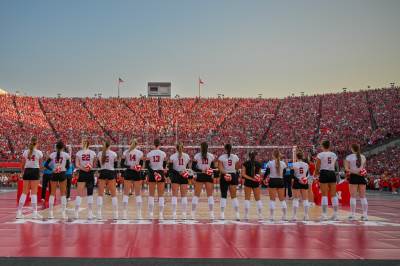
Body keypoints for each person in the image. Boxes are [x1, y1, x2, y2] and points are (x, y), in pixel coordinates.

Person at [17, 136, 43, 219]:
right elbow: (41, 164)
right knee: (34, 192)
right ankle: (34, 213)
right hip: (35, 171)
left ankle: (19, 212)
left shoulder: (25, 152)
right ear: (37, 143)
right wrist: (41, 172)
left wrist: (22, 172)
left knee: (24, 192)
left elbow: (23, 163)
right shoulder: (39, 152)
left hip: (27, 171)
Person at [45, 140, 71, 219]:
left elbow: (46, 164)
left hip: (54, 174)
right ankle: (63, 213)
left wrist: (52, 169)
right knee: (63, 193)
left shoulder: (52, 154)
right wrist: (63, 169)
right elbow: (68, 166)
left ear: (56, 147)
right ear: (63, 147)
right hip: (62, 173)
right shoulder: (66, 155)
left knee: (52, 193)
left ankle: (50, 213)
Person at [314, 140, 339, 221]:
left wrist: (316, 175)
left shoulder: (320, 154)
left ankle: (324, 214)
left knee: (324, 194)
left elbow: (317, 166)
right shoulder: (334, 154)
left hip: (324, 172)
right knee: (333, 194)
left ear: (322, 146)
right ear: (329, 146)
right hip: (332, 173)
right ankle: (336, 214)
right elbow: (335, 165)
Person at [191, 142, 216, 220]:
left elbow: (193, 168)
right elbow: (213, 168)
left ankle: (193, 212)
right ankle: (211, 213)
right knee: (210, 195)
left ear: (201, 147)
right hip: (208, 176)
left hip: (200, 175)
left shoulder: (197, 156)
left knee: (196, 194)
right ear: (207, 147)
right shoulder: (211, 156)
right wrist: (208, 170)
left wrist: (201, 170)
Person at [121, 138, 144, 219]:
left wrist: (130, 166)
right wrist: (136, 167)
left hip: (128, 172)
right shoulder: (140, 153)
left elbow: (122, 164)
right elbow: (140, 165)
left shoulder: (126, 152)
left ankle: (124, 211)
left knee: (126, 192)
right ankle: (139, 212)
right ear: (137, 144)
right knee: (138, 193)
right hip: (137, 172)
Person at [74, 139, 97, 219]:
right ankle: (90, 214)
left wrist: (83, 168)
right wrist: (89, 167)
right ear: (89, 145)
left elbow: (77, 164)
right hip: (90, 173)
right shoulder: (93, 153)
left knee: (79, 193)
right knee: (90, 193)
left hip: (82, 173)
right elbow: (94, 164)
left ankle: (76, 213)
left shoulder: (78, 153)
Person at [344, 144, 368, 221]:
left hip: (354, 177)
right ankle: (365, 215)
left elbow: (347, 169)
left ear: (352, 149)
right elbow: (363, 169)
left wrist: (355, 172)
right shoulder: (363, 157)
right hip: (361, 177)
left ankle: (352, 215)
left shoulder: (349, 157)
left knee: (353, 196)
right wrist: (360, 172)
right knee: (363, 196)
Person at [168, 142, 191, 219]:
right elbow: (187, 167)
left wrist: (178, 172)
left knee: (174, 195)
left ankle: (174, 213)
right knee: (184, 196)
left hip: (175, 176)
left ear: (176, 148)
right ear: (183, 148)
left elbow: (170, 169)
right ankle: (184, 213)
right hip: (184, 175)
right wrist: (182, 171)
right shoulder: (187, 156)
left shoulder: (172, 156)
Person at [145, 139, 167, 219]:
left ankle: (151, 213)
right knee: (161, 195)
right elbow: (164, 165)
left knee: (151, 194)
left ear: (153, 144)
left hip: (152, 173)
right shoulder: (163, 153)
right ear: (159, 145)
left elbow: (147, 166)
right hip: (160, 172)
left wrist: (153, 172)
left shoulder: (149, 154)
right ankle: (161, 213)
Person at [218, 143, 241, 220]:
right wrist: (232, 173)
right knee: (234, 196)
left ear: (225, 149)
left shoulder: (221, 157)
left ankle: (222, 215)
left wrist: (226, 173)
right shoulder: (235, 157)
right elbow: (237, 167)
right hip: (233, 175)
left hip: (224, 175)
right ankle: (237, 214)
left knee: (223, 195)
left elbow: (220, 169)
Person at [97, 140, 118, 220]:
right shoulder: (114, 153)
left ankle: (99, 211)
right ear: (109, 145)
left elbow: (99, 165)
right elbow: (115, 165)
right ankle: (115, 212)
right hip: (111, 172)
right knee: (113, 193)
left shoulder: (100, 153)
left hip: (103, 171)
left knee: (100, 193)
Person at [265, 150, 287, 221]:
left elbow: (267, 173)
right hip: (280, 181)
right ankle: (284, 216)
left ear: (273, 155)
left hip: (272, 181)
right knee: (282, 200)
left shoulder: (270, 163)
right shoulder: (283, 163)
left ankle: (271, 216)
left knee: (272, 200)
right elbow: (285, 173)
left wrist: (264, 179)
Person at [241, 151, 263, 220]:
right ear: (255, 156)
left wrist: (251, 178)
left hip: (248, 182)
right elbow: (260, 175)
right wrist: (256, 179)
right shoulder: (259, 164)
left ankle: (246, 215)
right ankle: (260, 215)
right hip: (256, 182)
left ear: (249, 156)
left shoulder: (245, 163)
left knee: (247, 199)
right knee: (258, 199)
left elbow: (243, 174)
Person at [291, 151, 310, 221]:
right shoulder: (306, 164)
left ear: (296, 157)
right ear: (302, 157)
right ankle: (306, 215)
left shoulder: (294, 164)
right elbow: (307, 174)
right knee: (305, 199)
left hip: (297, 181)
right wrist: (303, 179)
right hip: (304, 181)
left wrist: (298, 180)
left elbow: (292, 175)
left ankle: (294, 216)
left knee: (296, 199)